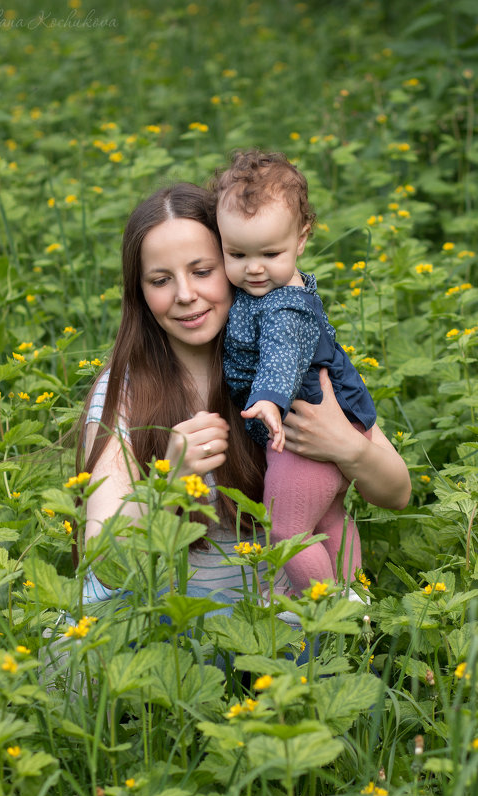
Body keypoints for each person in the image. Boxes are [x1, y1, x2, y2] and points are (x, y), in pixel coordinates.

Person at [78, 181, 410, 611]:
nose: (184, 295)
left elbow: (397, 493)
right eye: (161, 280)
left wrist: (347, 448)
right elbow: (104, 560)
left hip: (278, 622)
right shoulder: (125, 389)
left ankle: (339, 607)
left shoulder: (285, 359)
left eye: (202, 271)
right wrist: (168, 481)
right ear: (140, 292)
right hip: (172, 630)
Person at [211, 149, 393, 594]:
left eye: (270, 252)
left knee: (288, 531)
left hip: (304, 433)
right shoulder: (280, 285)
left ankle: (329, 610)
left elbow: (281, 357)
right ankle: (355, 594)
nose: (253, 269)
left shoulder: (286, 310)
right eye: (235, 253)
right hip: (339, 422)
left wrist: (269, 402)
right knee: (328, 516)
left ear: (302, 238)